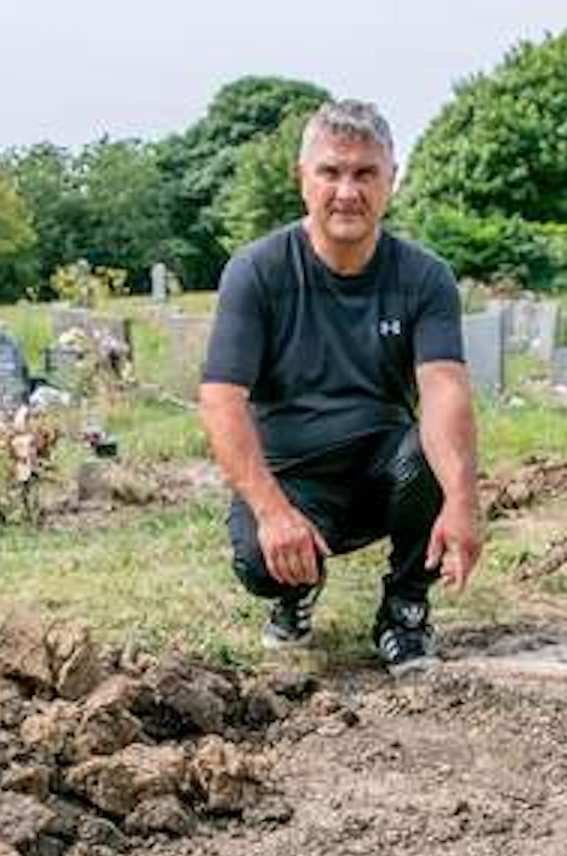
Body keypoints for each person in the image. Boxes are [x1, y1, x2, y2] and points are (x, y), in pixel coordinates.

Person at [198, 100, 481, 673]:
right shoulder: (257, 271)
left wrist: (462, 499)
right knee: (257, 560)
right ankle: (294, 593)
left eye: (365, 173)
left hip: (385, 473)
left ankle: (404, 609)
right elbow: (222, 398)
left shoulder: (424, 277)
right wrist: (273, 513)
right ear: (303, 179)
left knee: (428, 457)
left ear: (391, 181)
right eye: (331, 172)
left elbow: (444, 387)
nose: (347, 191)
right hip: (294, 478)